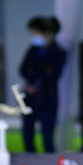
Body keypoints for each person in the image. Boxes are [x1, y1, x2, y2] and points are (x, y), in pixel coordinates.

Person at [19, 16, 66, 153]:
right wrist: (41, 72)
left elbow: (53, 75)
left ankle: (50, 164)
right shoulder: (33, 49)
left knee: (47, 137)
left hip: (47, 98)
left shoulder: (59, 52)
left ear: (47, 33)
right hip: (30, 97)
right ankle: (29, 161)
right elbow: (23, 69)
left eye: (36, 33)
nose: (34, 37)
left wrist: (37, 77)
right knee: (28, 134)